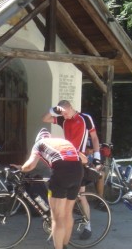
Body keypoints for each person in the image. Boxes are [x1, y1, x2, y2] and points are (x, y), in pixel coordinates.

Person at [12, 128, 84, 249]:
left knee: (57, 217)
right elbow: (84, 159)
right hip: (78, 170)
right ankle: (64, 247)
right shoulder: (62, 141)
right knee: (68, 214)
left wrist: (20, 168)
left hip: (62, 172)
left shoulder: (39, 144)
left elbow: (31, 165)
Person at [42, 100, 102, 240]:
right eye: (61, 113)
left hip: (79, 160)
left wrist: (97, 158)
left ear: (70, 108)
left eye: (65, 112)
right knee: (63, 196)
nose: (64, 115)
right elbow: (44, 118)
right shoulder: (63, 119)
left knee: (81, 195)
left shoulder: (85, 118)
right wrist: (54, 110)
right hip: (66, 159)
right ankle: (59, 229)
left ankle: (88, 225)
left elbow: (94, 137)